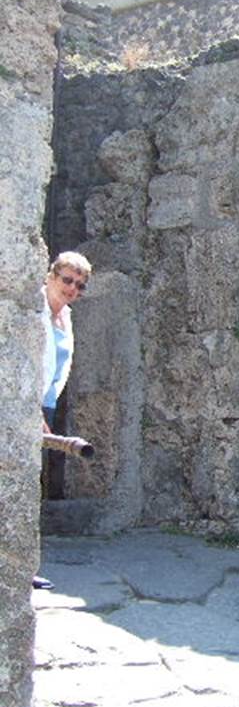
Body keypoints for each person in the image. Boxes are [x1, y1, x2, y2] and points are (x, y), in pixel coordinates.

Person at [35, 251, 92, 590]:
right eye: (67, 279)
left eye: (79, 285)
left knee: (32, 486)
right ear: (51, 275)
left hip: (47, 403)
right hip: (24, 402)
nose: (72, 288)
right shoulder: (33, 308)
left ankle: (21, 565)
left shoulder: (65, 317)